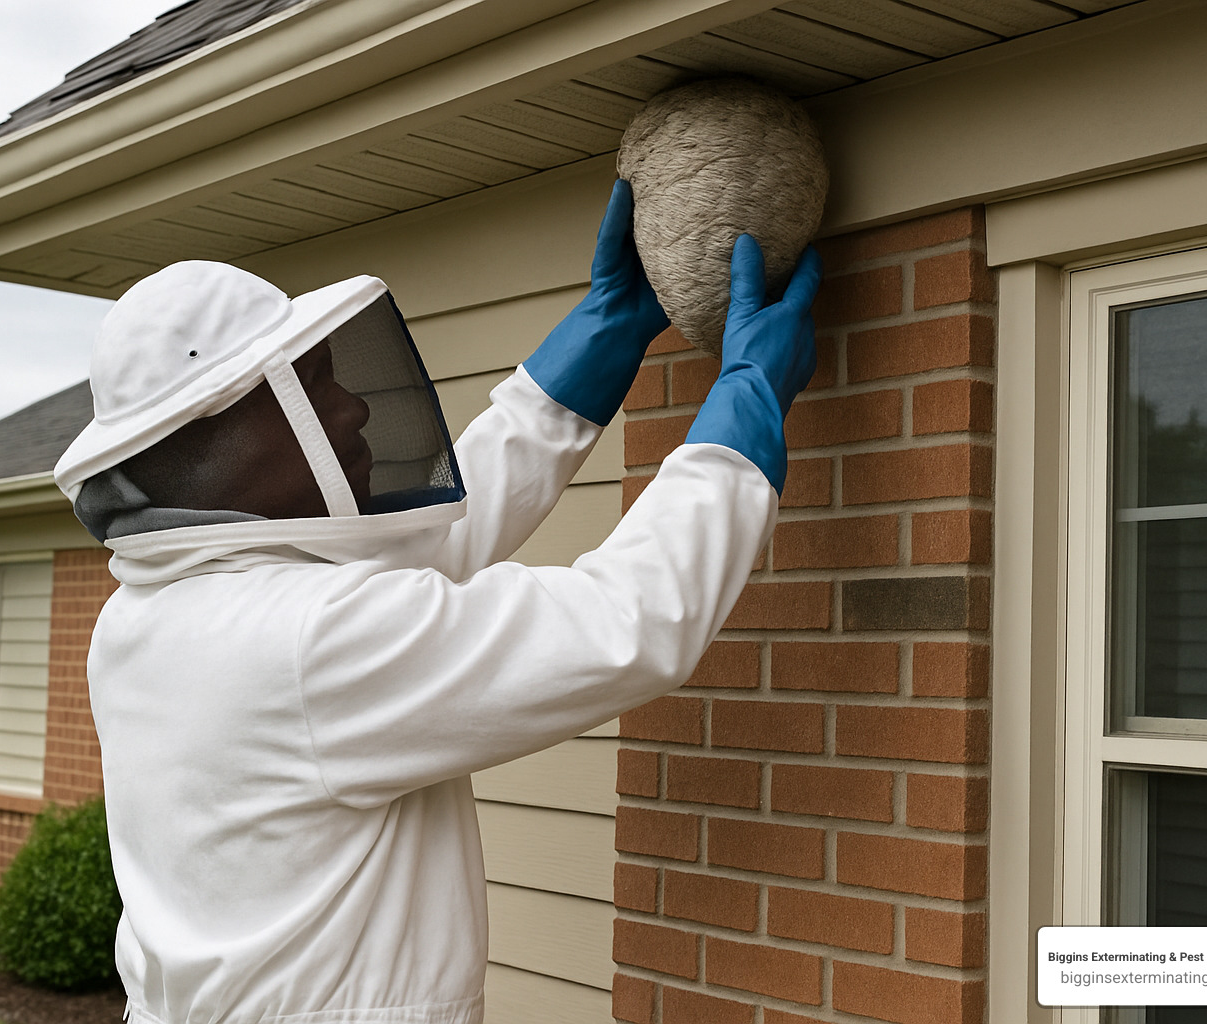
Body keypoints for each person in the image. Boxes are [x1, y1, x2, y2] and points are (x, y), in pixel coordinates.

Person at [53, 179, 822, 1024]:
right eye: (310, 389)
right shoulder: (305, 638)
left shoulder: (149, 616)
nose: (349, 408)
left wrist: (603, 336)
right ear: (212, 445)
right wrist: (746, 403)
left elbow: (426, 554)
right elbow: (625, 623)